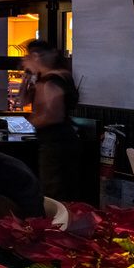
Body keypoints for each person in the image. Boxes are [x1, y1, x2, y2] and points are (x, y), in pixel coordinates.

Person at [21, 40, 82, 201]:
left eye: (33, 56)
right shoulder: (59, 76)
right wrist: (26, 81)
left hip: (55, 142)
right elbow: (23, 101)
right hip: (61, 139)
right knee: (61, 189)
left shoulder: (51, 80)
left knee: (55, 190)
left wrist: (31, 122)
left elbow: (53, 115)